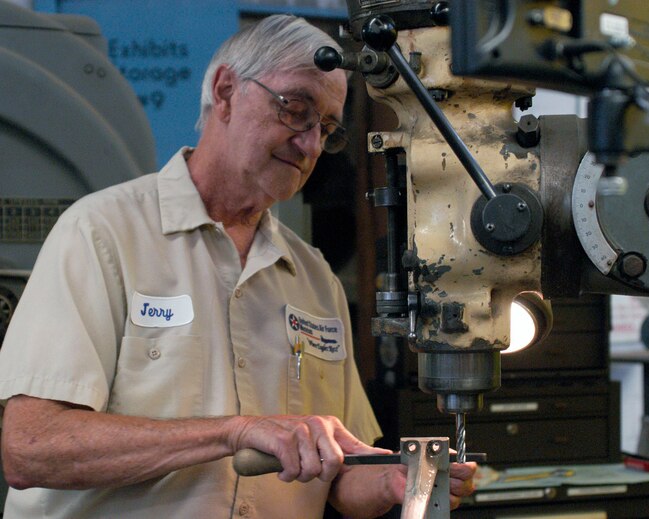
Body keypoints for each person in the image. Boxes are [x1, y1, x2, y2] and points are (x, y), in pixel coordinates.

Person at [0, 14, 475, 519]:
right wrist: (234, 432)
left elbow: (335, 477)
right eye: (295, 109)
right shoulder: (101, 234)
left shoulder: (313, 277)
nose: (311, 144)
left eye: (327, 129)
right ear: (226, 91)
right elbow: (31, 448)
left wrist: (388, 481)